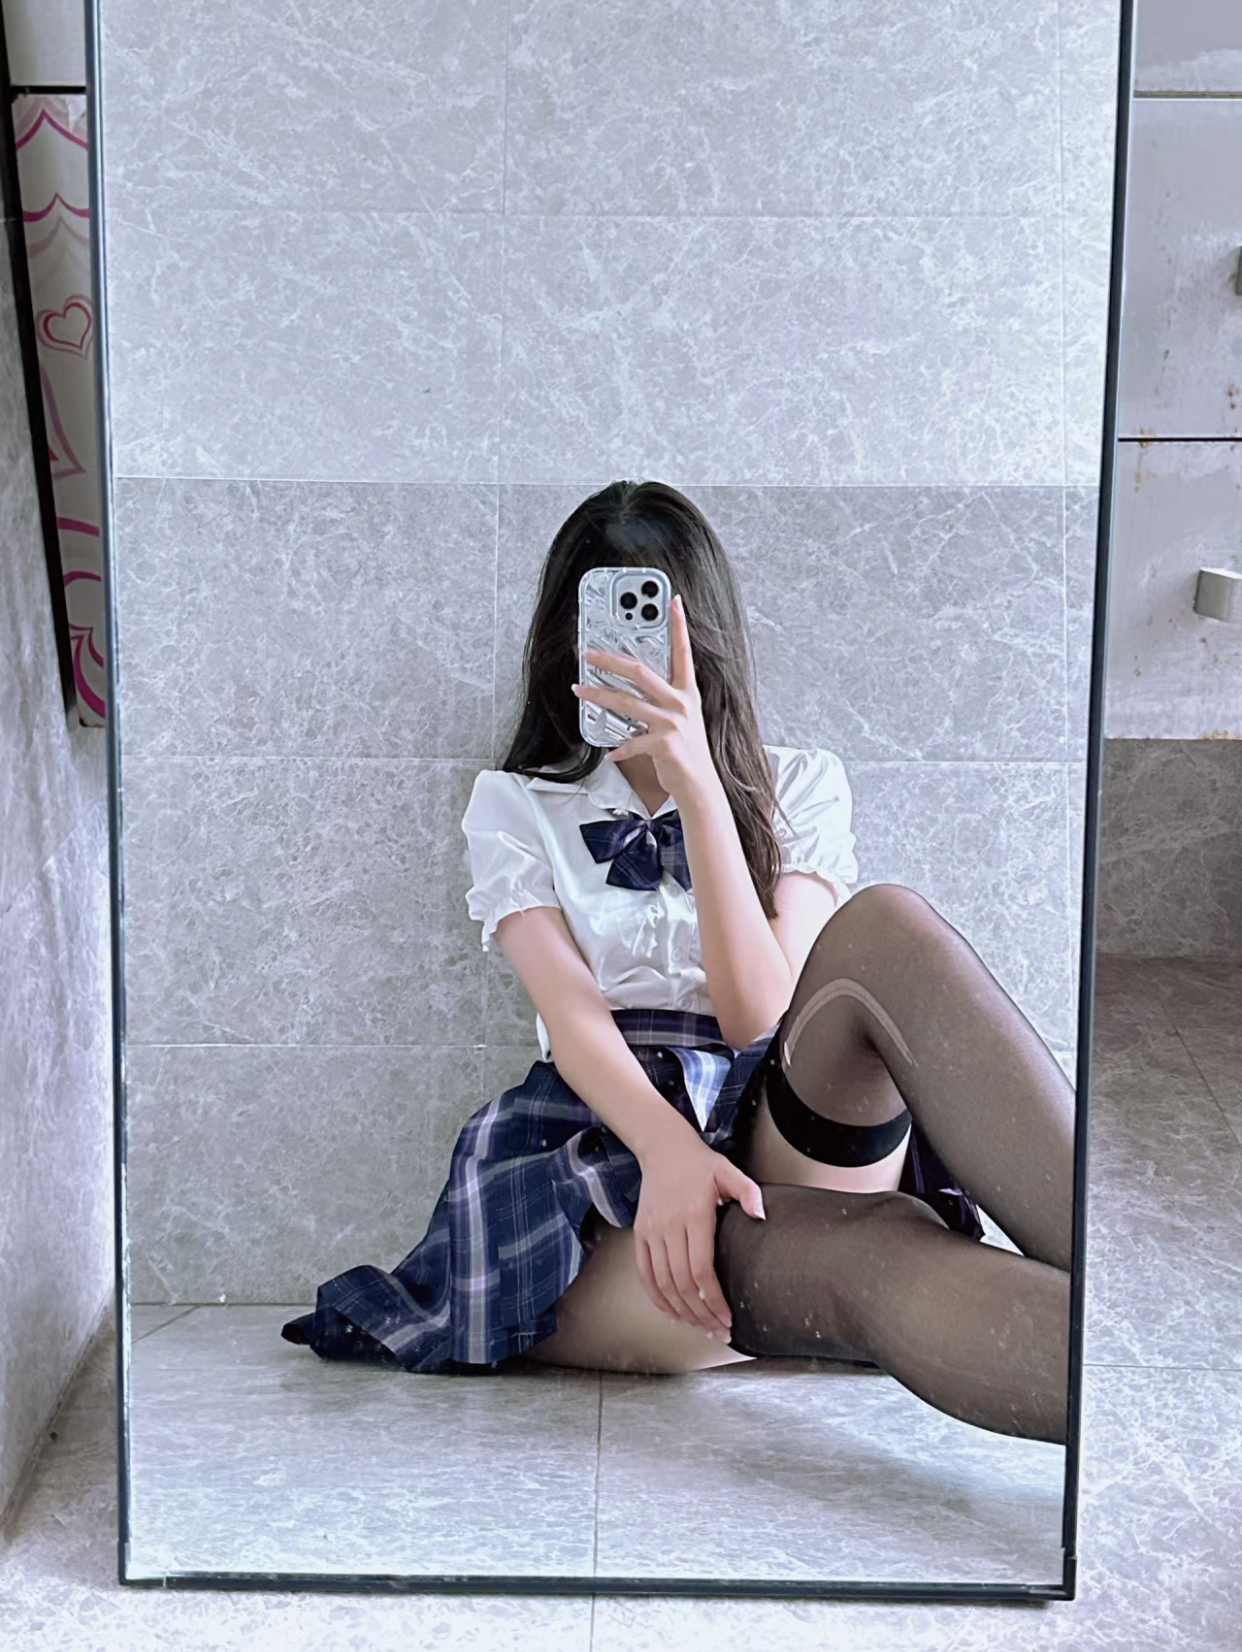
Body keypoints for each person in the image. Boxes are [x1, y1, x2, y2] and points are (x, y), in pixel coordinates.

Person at [282, 480, 1076, 1446]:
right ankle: (1112, 1367)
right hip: (605, 1147)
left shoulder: (801, 785)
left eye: (654, 626)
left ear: (703, 638)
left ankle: (1104, 1268)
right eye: (606, 626)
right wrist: (668, 1153)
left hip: (778, 1114)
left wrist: (701, 787)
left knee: (887, 925)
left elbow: (761, 1019)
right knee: (876, 1254)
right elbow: (574, 1022)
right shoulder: (517, 805)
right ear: (566, 641)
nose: (631, 654)